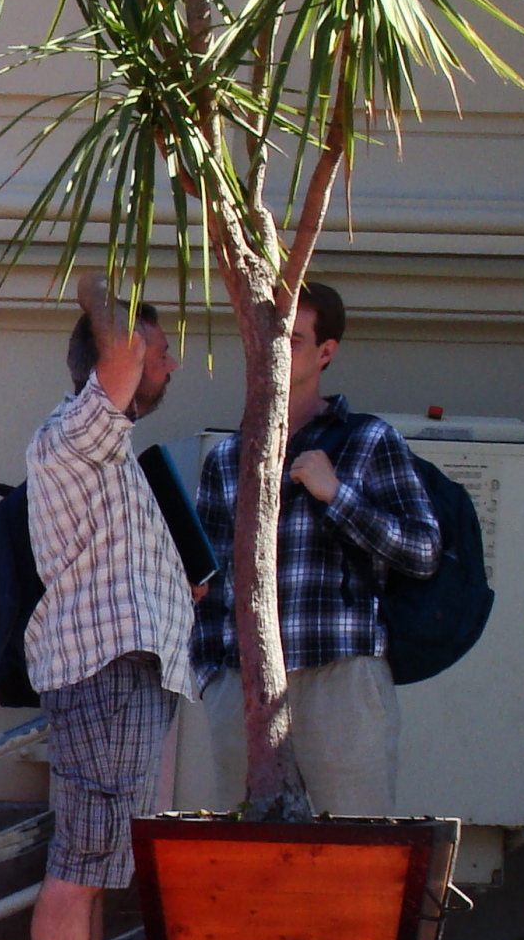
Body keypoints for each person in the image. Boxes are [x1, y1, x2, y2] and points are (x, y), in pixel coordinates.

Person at [188, 281, 440, 813]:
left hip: (341, 675)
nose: (275, 350)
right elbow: (204, 585)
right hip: (245, 684)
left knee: (352, 847)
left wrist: (339, 496)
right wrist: (213, 681)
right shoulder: (228, 457)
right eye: (265, 337)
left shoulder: (369, 440)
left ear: (327, 352)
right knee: (245, 852)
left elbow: (423, 550)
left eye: (294, 339)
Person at [22, 274, 199, 940]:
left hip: (117, 677)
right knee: (80, 867)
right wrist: (96, 290)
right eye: (158, 350)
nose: (169, 363)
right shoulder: (79, 432)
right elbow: (120, 350)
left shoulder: (104, 449)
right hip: (107, 676)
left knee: (94, 868)